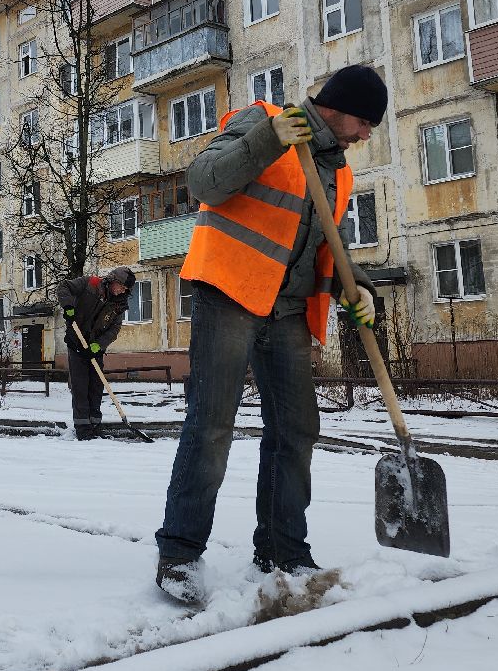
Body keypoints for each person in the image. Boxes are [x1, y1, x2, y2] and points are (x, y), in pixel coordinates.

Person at [154, 64, 387, 604]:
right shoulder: (265, 120)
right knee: (212, 424)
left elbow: (325, 241)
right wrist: (266, 139)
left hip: (286, 310)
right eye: (365, 122)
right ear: (341, 107)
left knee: (297, 427)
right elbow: (203, 182)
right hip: (230, 294)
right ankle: (180, 554)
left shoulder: (339, 172)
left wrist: (361, 286)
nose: (366, 135)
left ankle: (283, 547)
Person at [56, 266, 136, 440]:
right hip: (77, 341)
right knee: (80, 386)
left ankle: (95, 424)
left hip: (95, 348)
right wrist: (68, 306)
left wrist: (98, 346)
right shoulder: (90, 284)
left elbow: (114, 329)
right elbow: (64, 287)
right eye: (121, 286)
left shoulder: (119, 304)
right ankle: (83, 428)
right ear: (113, 280)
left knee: (96, 387)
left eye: (125, 290)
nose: (122, 291)